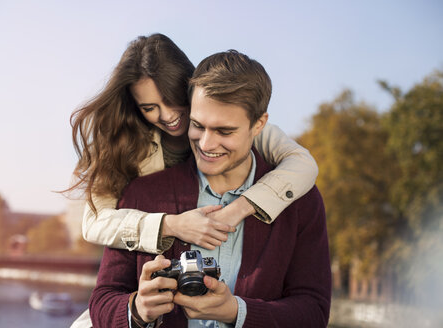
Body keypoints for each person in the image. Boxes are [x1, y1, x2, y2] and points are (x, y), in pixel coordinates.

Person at [89, 50, 331, 327]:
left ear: (259, 125)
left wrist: (236, 311)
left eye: (224, 131)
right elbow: (102, 303)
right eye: (197, 125)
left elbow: (314, 312)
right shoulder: (143, 193)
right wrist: (137, 309)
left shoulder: (302, 202)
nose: (205, 144)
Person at [68, 33, 319, 256]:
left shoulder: (234, 123)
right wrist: (172, 225)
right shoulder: (122, 144)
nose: (167, 116)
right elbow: (94, 225)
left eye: (172, 99)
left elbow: (302, 163)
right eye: (149, 108)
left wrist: (239, 208)